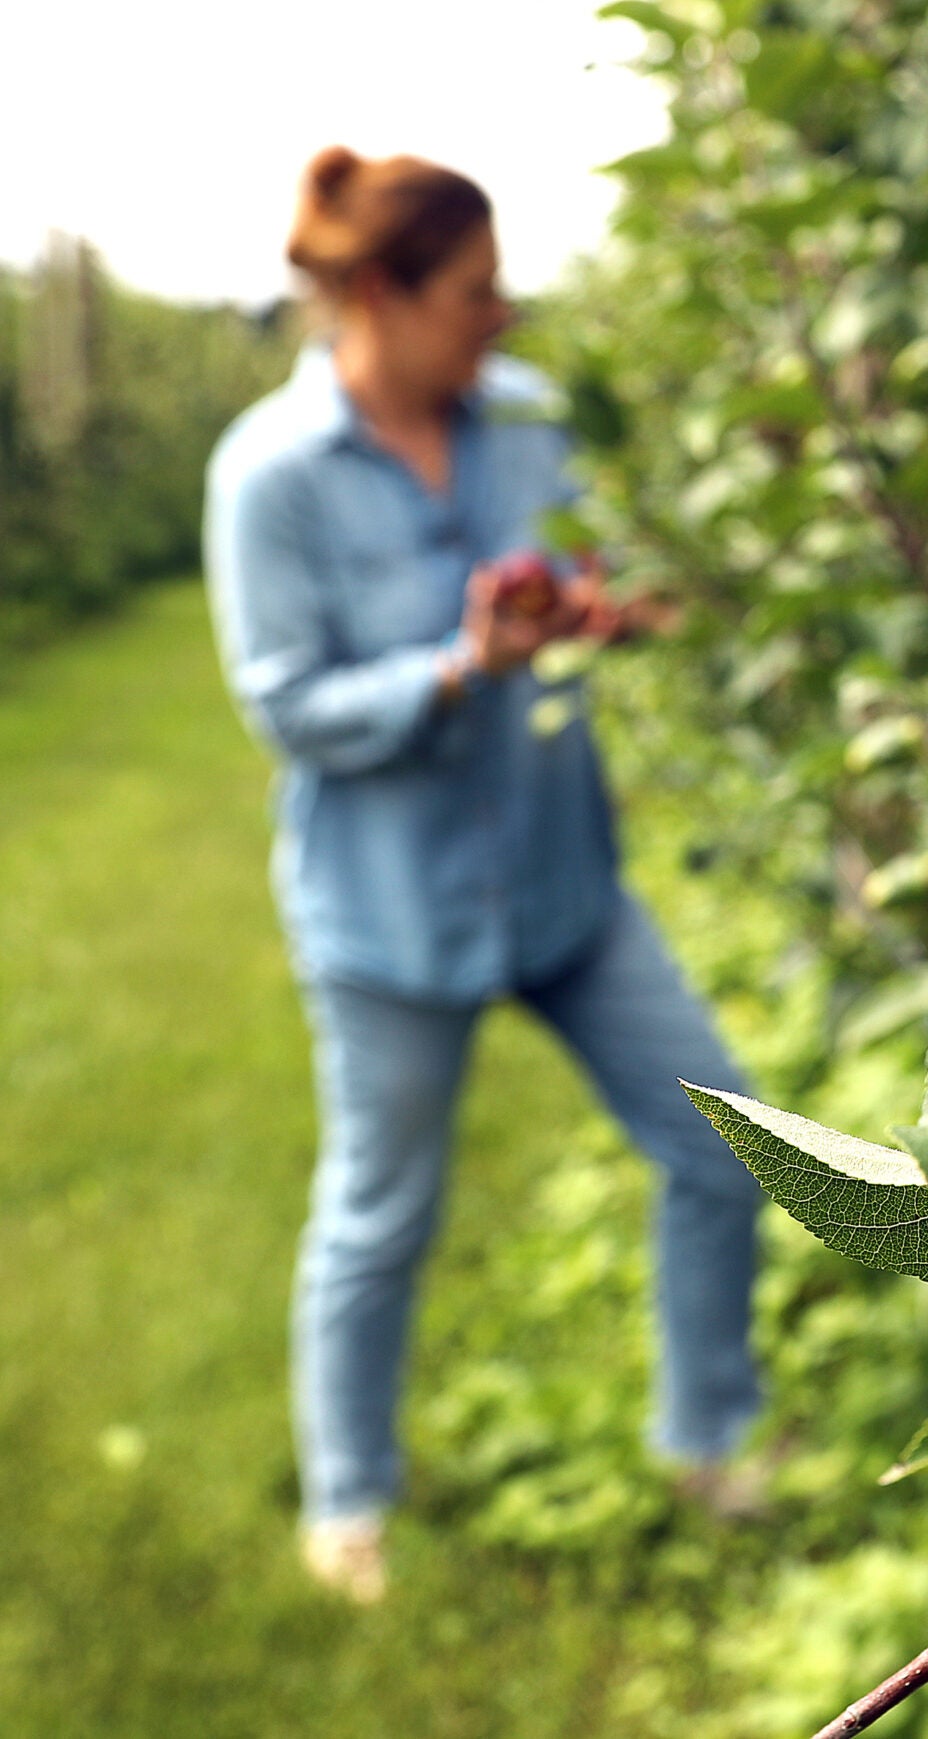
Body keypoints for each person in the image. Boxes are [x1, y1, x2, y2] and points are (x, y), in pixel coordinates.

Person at [204, 147, 767, 1603]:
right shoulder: (272, 477)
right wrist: (462, 667)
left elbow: (592, 573)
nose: (500, 316)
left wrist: (599, 610)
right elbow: (290, 710)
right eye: (473, 291)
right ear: (382, 295)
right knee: (379, 1214)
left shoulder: (530, 429)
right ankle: (350, 1504)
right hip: (391, 916)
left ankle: (707, 1444)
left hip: (562, 883)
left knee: (723, 1144)